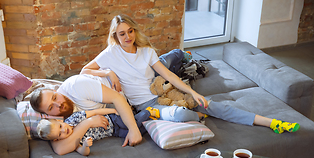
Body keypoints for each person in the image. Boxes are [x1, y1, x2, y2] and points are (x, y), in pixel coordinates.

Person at [80, 14, 299, 134]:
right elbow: (85, 70)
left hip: (165, 92)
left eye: (130, 31)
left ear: (134, 31)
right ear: (115, 36)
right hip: (149, 107)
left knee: (209, 104)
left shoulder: (146, 52)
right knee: (183, 115)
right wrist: (108, 72)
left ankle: (271, 122)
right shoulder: (110, 53)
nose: (127, 37)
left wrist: (191, 93)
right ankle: (200, 117)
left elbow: (170, 76)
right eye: (122, 34)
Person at [30, 74, 144, 147]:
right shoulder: (60, 123)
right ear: (48, 115)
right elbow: (60, 149)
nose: (58, 104)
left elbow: (117, 98)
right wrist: (88, 122)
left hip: (134, 87)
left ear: (54, 90)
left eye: (55, 97)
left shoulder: (76, 86)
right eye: (51, 107)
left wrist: (133, 129)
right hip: (117, 112)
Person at [36, 107, 158, 156]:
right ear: (57, 139)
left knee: (133, 125)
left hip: (112, 119)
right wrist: (85, 146)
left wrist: (113, 110)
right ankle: (150, 121)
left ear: (60, 121)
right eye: (60, 133)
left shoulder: (73, 119)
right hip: (112, 131)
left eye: (61, 126)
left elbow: (93, 113)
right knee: (134, 134)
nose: (64, 130)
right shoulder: (73, 141)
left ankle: (147, 111)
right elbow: (83, 152)